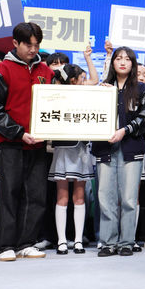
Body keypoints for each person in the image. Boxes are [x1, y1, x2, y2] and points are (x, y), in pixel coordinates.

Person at [0, 22, 55, 262]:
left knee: (36, 195)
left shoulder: (46, 72)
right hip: (12, 143)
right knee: (9, 193)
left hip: (38, 143)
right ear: (15, 43)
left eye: (37, 45)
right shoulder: (1, 70)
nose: (33, 50)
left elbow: (56, 104)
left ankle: (27, 242)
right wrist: (18, 132)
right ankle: (5, 244)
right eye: (28, 45)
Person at [92, 47, 145, 257]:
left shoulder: (142, 89)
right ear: (112, 63)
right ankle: (107, 242)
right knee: (105, 197)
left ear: (133, 64)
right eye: (118, 58)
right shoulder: (103, 89)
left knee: (128, 198)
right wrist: (99, 95)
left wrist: (124, 131)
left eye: (127, 59)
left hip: (131, 147)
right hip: (105, 147)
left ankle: (127, 241)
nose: (123, 62)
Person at [48, 64, 95, 255]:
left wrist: (88, 58)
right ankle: (61, 240)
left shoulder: (86, 96)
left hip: (82, 149)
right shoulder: (56, 96)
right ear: (73, 80)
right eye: (81, 78)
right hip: (63, 149)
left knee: (79, 196)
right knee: (62, 197)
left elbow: (95, 81)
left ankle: (77, 240)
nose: (85, 82)